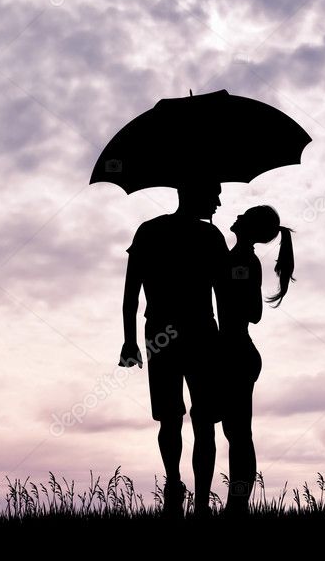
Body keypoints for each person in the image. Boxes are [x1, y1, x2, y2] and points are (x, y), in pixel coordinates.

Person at [119, 179, 228, 518]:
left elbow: (131, 295)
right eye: (214, 197)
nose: (218, 205)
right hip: (195, 332)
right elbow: (225, 291)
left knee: (176, 418)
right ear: (194, 195)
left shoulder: (151, 231)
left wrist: (130, 340)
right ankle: (185, 491)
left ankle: (177, 487)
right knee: (194, 418)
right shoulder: (209, 236)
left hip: (168, 333)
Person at [217, 204, 295, 516]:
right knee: (234, 432)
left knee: (238, 435)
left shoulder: (244, 261)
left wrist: (227, 283)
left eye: (244, 216)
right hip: (233, 353)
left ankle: (238, 505)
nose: (236, 216)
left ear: (251, 228)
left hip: (238, 353)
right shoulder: (233, 257)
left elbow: (254, 313)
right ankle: (237, 504)